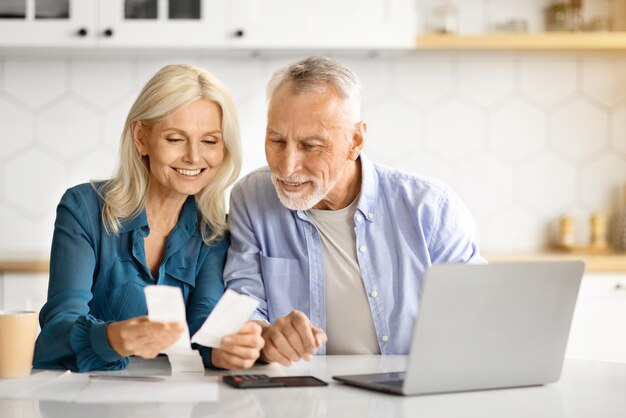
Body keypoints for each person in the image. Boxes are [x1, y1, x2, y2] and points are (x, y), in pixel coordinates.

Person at [224, 56, 484, 367]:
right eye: (276, 140)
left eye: (310, 146)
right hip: (302, 395)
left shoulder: (431, 208)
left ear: (355, 140)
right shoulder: (251, 198)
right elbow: (242, 303)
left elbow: (477, 317)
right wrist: (264, 338)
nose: (287, 166)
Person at [34, 64, 264, 372]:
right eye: (175, 139)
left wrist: (224, 349)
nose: (194, 157)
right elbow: (55, 332)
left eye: (210, 141)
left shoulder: (212, 230)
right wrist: (114, 337)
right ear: (141, 137)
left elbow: (203, 324)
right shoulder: (83, 209)